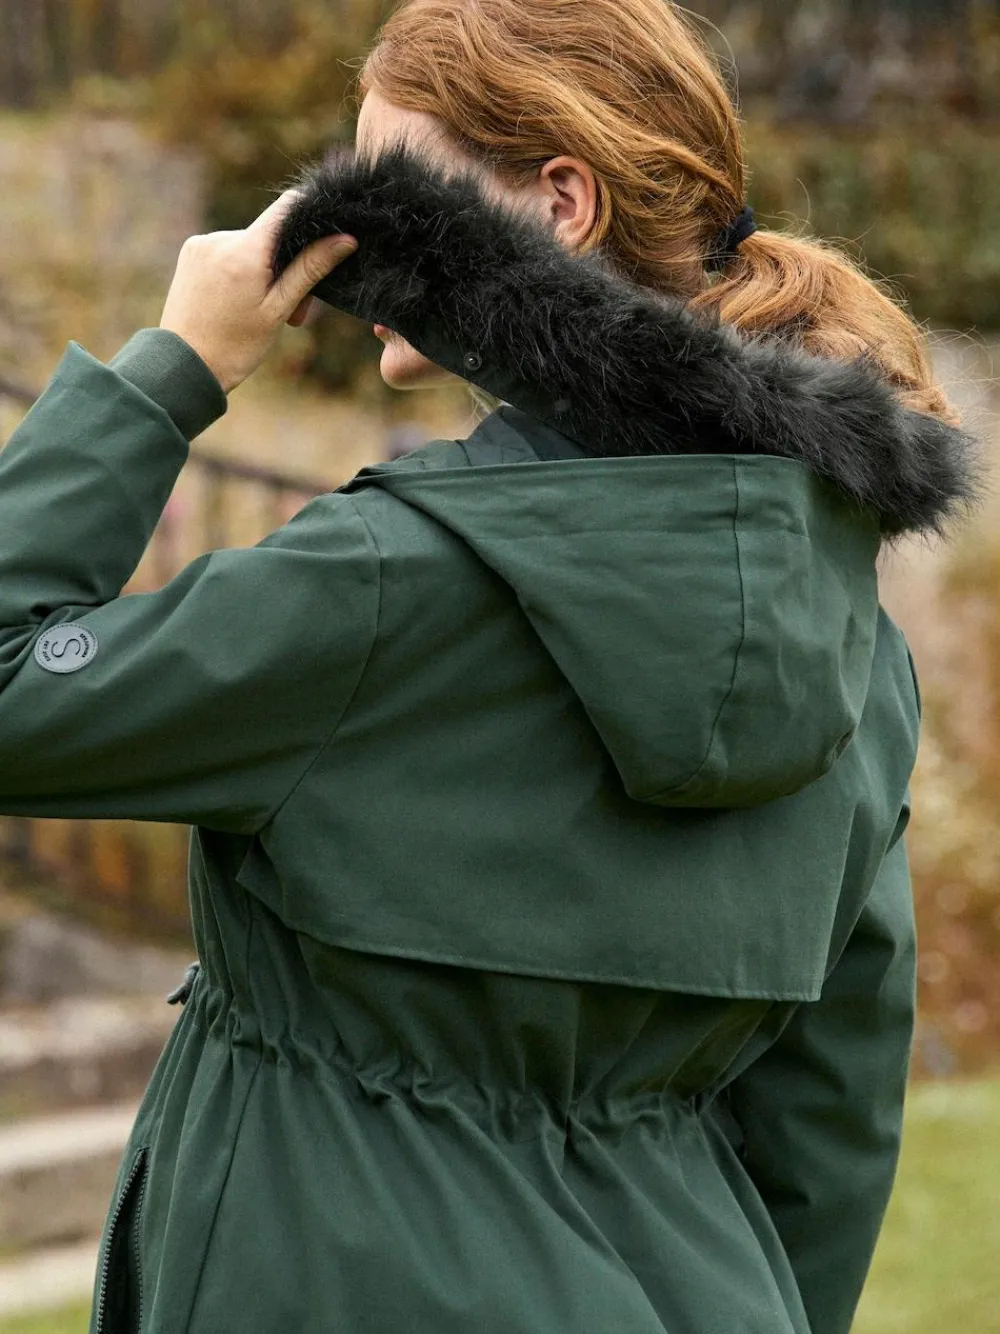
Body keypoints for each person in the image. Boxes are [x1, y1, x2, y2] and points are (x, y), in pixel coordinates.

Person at [0, 2, 981, 1332]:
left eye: (382, 183)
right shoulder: (852, 649)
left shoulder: (380, 587)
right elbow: (830, 1112)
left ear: (560, 204)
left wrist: (170, 370)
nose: (337, 234)